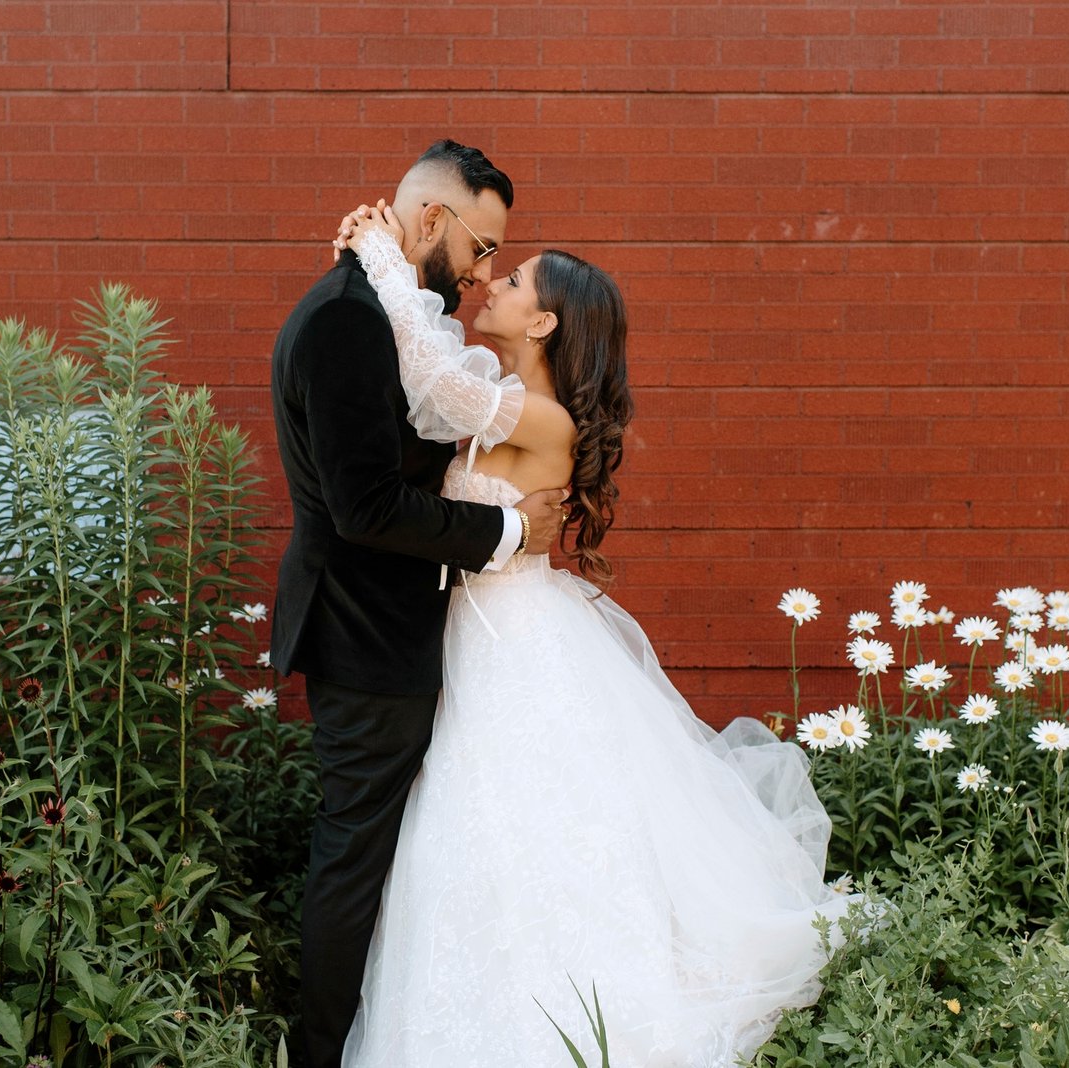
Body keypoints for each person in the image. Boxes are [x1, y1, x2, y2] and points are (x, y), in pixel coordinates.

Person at [326, 203, 857, 1066]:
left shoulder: (544, 421)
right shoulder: (505, 400)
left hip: (517, 646)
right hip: (475, 636)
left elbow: (425, 369)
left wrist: (382, 252)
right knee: (481, 847)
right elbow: (422, 380)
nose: (489, 283)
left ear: (542, 322)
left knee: (528, 831)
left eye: (514, 280)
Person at [268, 140, 567, 1068]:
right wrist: (508, 536)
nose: (482, 274)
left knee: (385, 857)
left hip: (392, 634)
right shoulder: (346, 321)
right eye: (482, 248)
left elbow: (436, 389)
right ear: (431, 218)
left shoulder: (376, 306)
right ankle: (321, 1055)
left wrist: (383, 256)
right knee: (355, 864)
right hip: (366, 634)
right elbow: (364, 508)